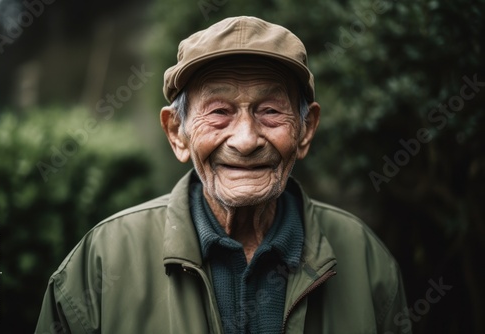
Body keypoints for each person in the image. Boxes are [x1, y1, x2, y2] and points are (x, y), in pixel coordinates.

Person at [35, 16, 411, 334]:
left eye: (270, 110)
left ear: (305, 129)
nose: (246, 140)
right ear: (177, 133)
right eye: (219, 111)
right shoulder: (102, 262)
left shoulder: (365, 261)